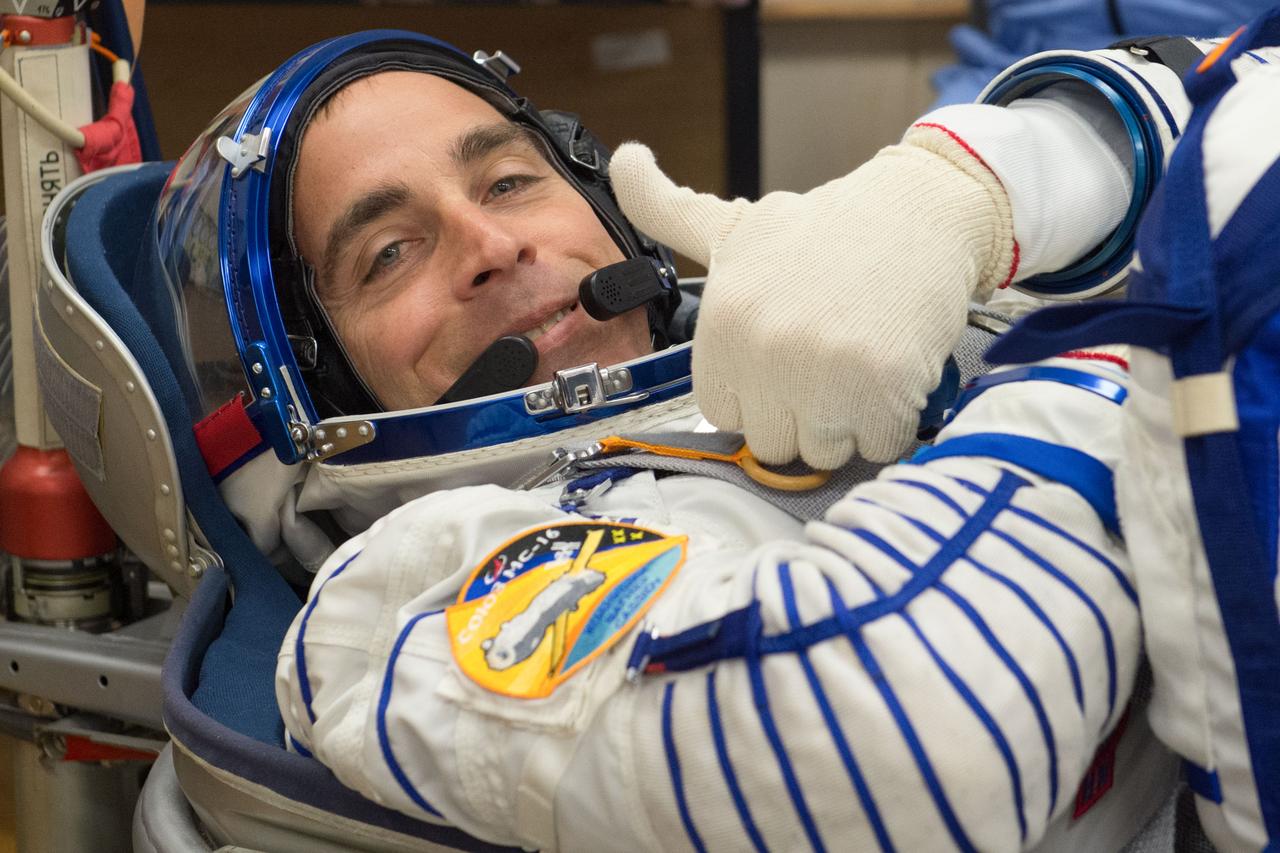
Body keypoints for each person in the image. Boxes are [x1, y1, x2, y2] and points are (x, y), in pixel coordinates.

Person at [145, 19, 1279, 852]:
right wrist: (1152, 342)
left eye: (508, 177)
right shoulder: (392, 608)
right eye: (386, 252)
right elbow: (912, 748)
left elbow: (1217, 89)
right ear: (310, 383)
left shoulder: (812, 309)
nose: (489, 241)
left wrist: (954, 199)